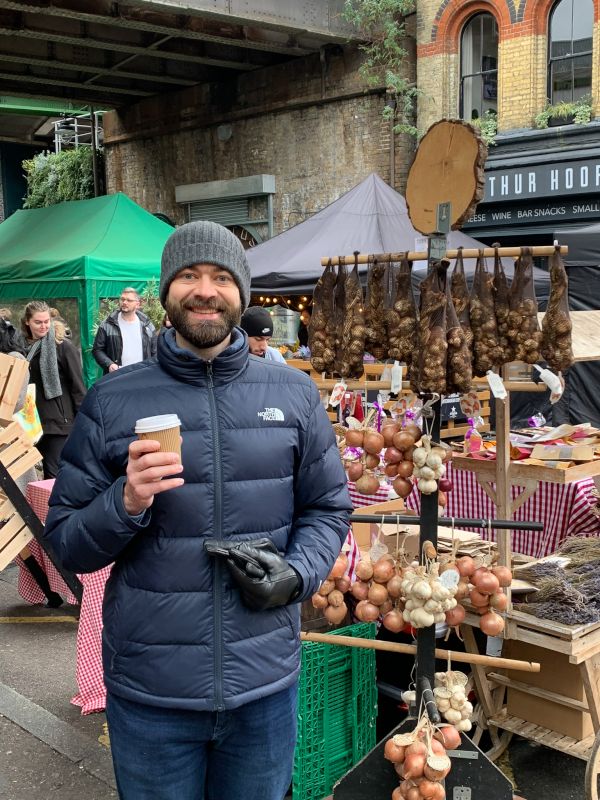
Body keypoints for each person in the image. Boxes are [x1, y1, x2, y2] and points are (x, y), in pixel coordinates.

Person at [43, 220, 352, 800]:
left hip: (263, 685)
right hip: (151, 692)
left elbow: (328, 508)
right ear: (166, 292)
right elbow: (66, 542)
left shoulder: (292, 393)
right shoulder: (112, 400)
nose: (205, 290)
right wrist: (125, 501)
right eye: (189, 275)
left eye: (221, 277)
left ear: (241, 293)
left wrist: (297, 574)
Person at [21, 301, 86, 479]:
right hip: (33, 422)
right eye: (38, 322)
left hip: (59, 424)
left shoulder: (63, 347)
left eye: (46, 321)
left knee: (54, 475)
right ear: (27, 322)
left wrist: (82, 421)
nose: (43, 326)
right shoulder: (23, 348)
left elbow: (78, 387)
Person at [92, 287, 156, 374]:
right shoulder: (107, 325)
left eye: (129, 300)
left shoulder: (147, 326)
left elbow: (155, 352)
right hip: (117, 375)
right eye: (122, 299)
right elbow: (97, 350)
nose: (124, 302)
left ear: (137, 304)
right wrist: (109, 364)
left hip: (142, 375)